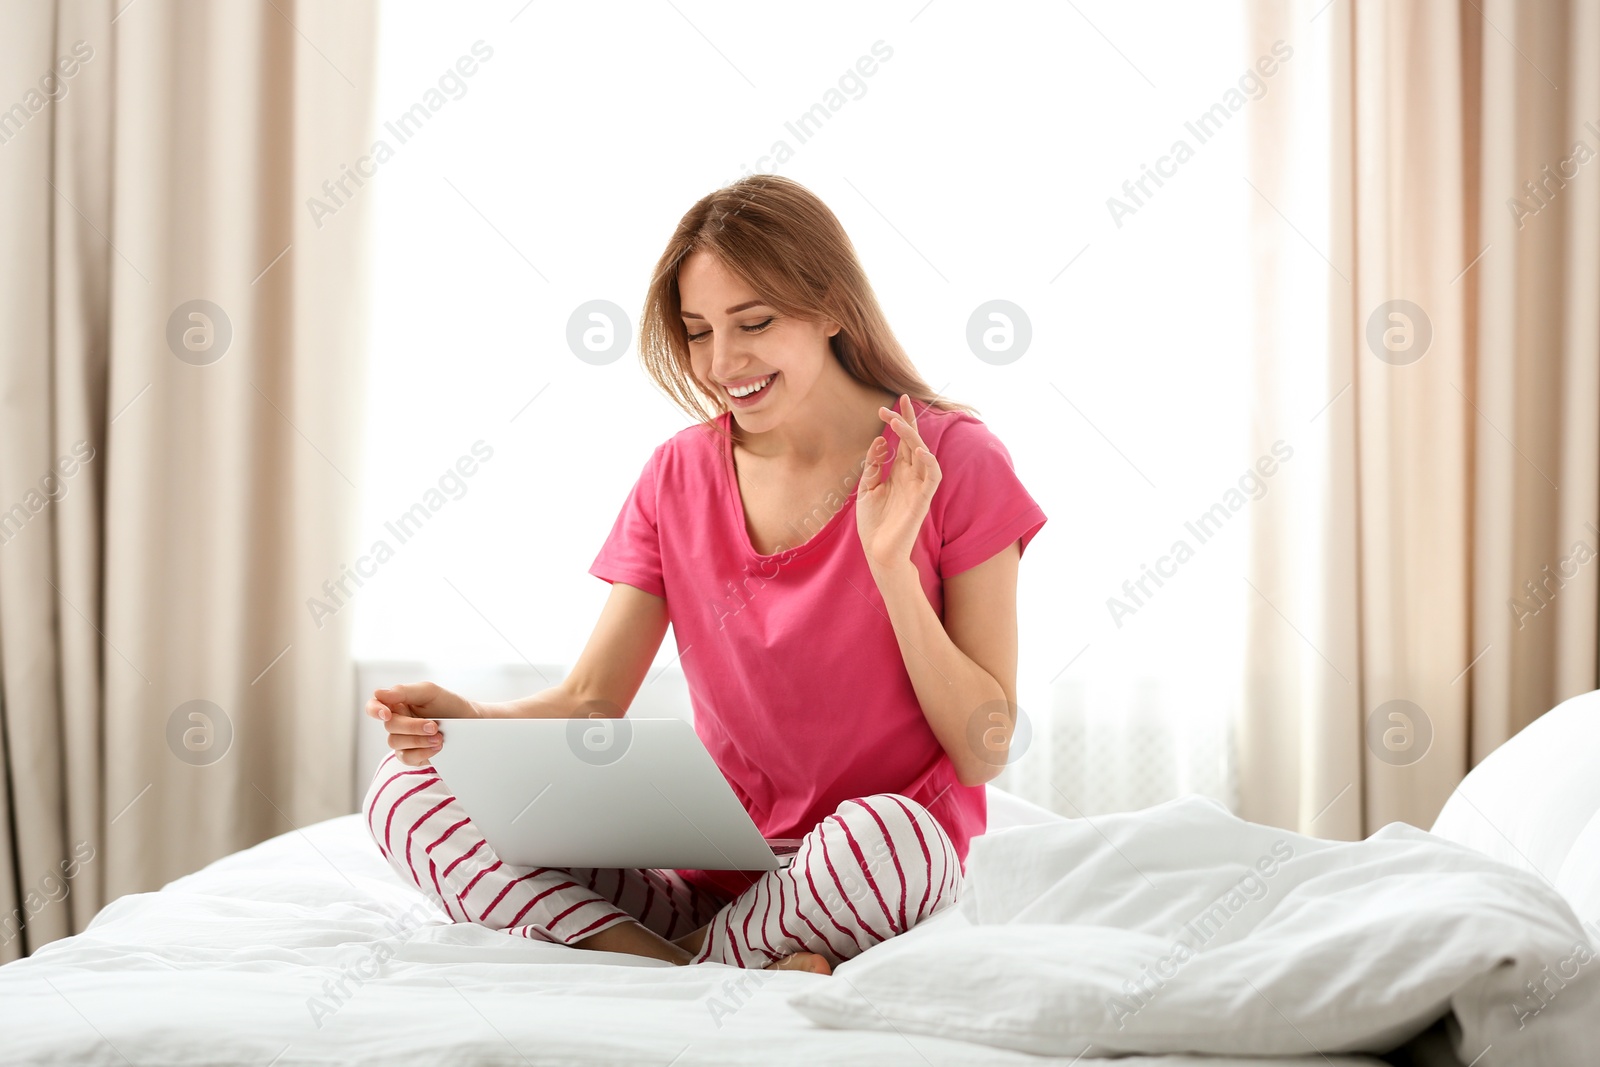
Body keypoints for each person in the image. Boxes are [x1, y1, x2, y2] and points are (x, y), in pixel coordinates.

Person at [362, 175, 1048, 974]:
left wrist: (891, 567)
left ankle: (657, 964)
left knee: (896, 842)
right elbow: (590, 700)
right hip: (713, 877)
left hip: (865, 869)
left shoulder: (954, 459)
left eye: (753, 323)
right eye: (697, 332)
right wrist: (470, 721)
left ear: (833, 309)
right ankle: (693, 963)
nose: (724, 362)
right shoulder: (677, 474)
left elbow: (982, 751)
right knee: (407, 789)